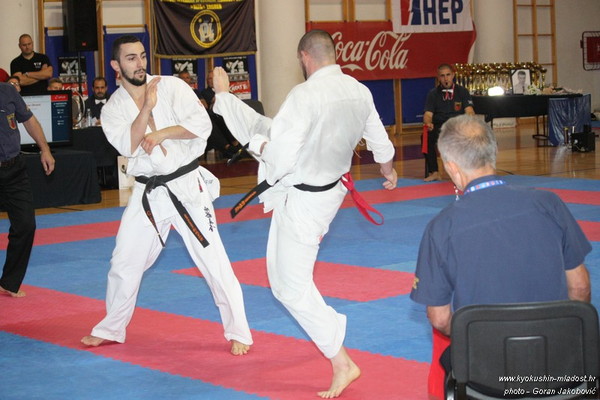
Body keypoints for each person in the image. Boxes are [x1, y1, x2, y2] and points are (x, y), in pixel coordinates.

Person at [212, 30, 398, 398]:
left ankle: (341, 361)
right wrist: (388, 171)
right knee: (282, 280)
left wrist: (256, 143)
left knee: (290, 288)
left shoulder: (304, 95)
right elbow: (381, 143)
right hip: (324, 193)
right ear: (332, 53)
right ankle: (226, 100)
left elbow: (280, 159)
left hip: (305, 202)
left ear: (304, 57)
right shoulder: (359, 91)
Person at [80, 35, 253, 356]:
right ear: (115, 65)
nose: (139, 63)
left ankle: (239, 331)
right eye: (131, 58)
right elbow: (128, 144)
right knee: (123, 260)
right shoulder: (113, 108)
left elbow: (202, 125)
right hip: (148, 192)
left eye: (142, 56)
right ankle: (112, 327)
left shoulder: (172, 86)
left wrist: (162, 133)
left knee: (213, 261)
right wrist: (147, 107)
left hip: (187, 186)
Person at [410, 114, 591, 373]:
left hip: (487, 372)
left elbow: (439, 319)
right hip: (557, 361)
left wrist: (475, 336)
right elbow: (580, 287)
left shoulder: (442, 227)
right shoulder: (549, 204)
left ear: (451, 167)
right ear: (494, 152)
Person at [0, 82, 56, 297]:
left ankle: (9, 282)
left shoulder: (7, 91)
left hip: (14, 168)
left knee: (25, 225)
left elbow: (29, 120)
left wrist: (45, 149)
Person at [422, 63, 474, 182]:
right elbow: (428, 114)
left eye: (448, 75)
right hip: (440, 127)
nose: (446, 78)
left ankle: (466, 171)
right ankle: (434, 172)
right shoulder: (433, 94)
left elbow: (470, 111)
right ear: (438, 78)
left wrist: (469, 123)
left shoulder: (462, 91)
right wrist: (428, 123)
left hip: (458, 126)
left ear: (453, 75)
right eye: (442, 76)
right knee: (426, 136)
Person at [197, 70, 243, 161]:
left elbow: (235, 101)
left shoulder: (227, 92)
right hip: (215, 119)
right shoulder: (204, 93)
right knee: (221, 118)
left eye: (212, 78)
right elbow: (212, 104)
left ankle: (236, 146)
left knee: (233, 117)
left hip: (228, 116)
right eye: (209, 79)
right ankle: (231, 147)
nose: (210, 80)